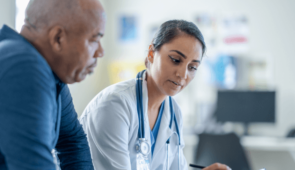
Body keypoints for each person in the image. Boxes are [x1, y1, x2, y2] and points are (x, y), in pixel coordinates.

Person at [0, 0, 105, 169]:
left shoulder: (47, 71)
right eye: (94, 40)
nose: (100, 52)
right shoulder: (21, 67)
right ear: (58, 38)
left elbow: (72, 141)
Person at [79, 20, 231, 170]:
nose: (182, 74)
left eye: (192, 67)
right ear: (151, 53)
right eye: (176, 60)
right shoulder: (115, 105)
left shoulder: (174, 113)